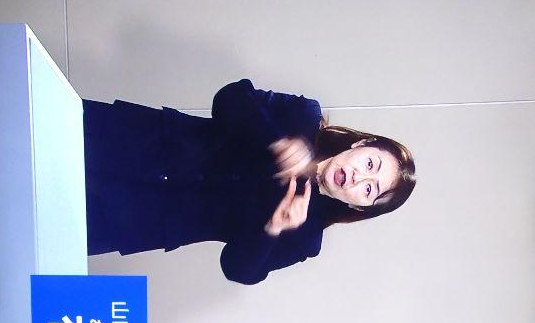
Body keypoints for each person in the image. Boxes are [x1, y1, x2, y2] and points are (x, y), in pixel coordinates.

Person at [83, 79, 416, 285]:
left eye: (369, 189)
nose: (359, 177)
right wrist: (275, 140)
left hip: (137, 218)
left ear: (359, 206)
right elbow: (229, 97)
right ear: (361, 145)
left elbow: (238, 270)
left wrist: (273, 228)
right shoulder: (304, 116)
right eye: (370, 163)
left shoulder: (305, 237)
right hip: (132, 140)